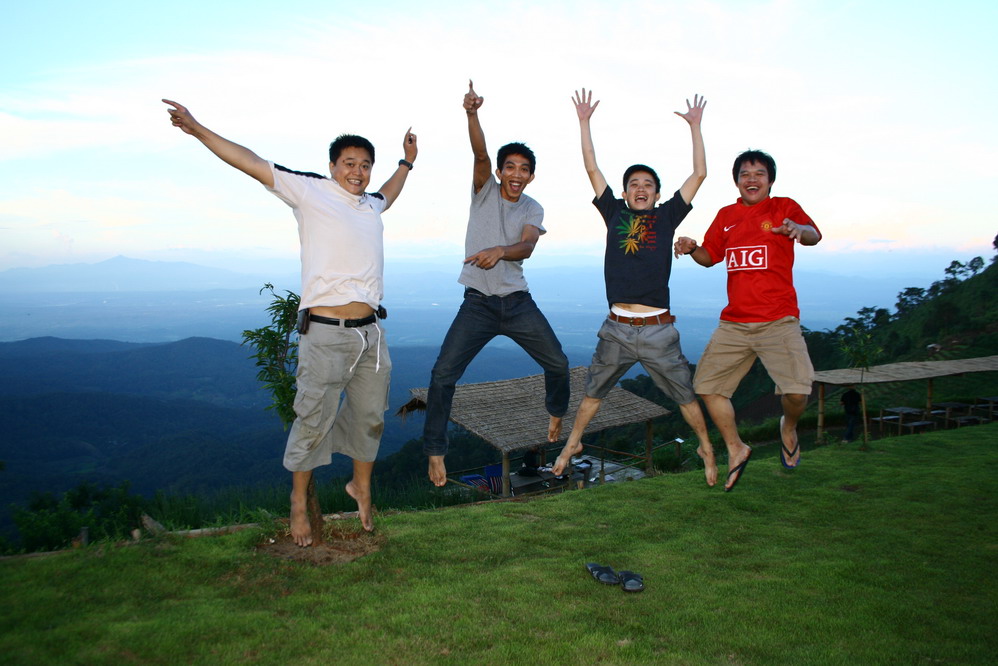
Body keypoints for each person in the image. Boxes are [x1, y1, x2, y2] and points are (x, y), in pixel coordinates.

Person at [163, 99, 417, 544]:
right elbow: (251, 162)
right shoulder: (310, 191)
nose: (357, 172)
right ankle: (298, 502)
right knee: (312, 419)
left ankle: (361, 486)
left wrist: (406, 162)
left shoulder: (370, 205)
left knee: (370, 417)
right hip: (325, 333)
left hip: (371, 334)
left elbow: (389, 192)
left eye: (365, 165)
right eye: (349, 163)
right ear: (332, 166)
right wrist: (198, 128)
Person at [551, 88, 719, 487]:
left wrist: (695, 127)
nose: (640, 188)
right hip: (617, 328)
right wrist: (584, 122)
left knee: (685, 396)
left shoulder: (667, 217)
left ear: (657, 194)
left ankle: (707, 449)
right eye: (633, 184)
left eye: (648, 184)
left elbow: (699, 174)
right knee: (592, 393)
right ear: (625, 192)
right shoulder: (613, 212)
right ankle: (573, 442)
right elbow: (591, 167)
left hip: (658, 330)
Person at [424, 81, 570, 487]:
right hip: (478, 304)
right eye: (510, 167)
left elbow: (527, 246)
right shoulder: (483, 191)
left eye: (524, 169)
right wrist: (472, 114)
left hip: (517, 303)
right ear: (500, 172)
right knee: (442, 375)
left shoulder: (532, 207)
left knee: (558, 364)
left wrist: (500, 251)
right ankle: (435, 451)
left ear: (531, 176)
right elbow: (480, 154)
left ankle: (556, 411)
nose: (516, 174)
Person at [674, 149, 821, 490]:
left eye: (759, 174)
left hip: (778, 320)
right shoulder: (727, 215)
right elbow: (710, 256)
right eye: (745, 174)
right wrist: (692, 247)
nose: (751, 179)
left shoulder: (784, 207)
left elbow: (813, 235)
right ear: (737, 181)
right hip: (735, 323)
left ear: (770, 180)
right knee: (707, 387)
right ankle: (736, 447)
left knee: (797, 392)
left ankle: (788, 426)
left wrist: (798, 229)